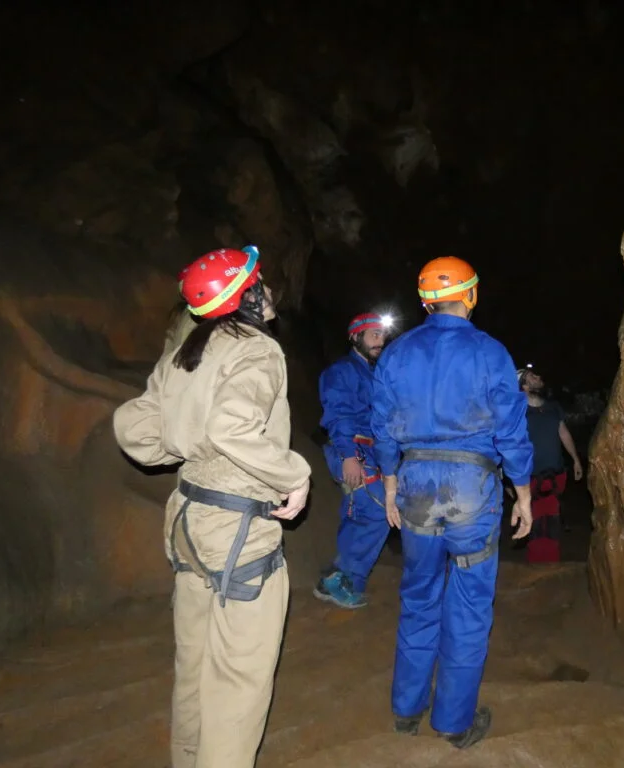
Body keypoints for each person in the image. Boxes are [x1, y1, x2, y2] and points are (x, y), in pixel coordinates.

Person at [113, 246, 311, 768]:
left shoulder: (187, 350)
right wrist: (295, 474)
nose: (268, 288)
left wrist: (178, 447)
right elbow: (232, 427)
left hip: (187, 518)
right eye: (260, 281)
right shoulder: (257, 351)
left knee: (194, 666)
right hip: (238, 525)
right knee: (237, 680)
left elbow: (134, 425)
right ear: (245, 294)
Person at [371, 255, 534, 749]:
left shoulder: (396, 354)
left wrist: (392, 488)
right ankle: (453, 720)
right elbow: (510, 429)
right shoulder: (490, 352)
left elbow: (381, 426)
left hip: (417, 486)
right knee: (467, 607)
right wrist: (523, 494)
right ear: (472, 295)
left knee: (419, 597)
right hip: (472, 491)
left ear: (425, 301)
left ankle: (406, 709)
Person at [313, 312, 393, 609]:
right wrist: (348, 456)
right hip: (351, 448)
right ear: (355, 337)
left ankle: (345, 581)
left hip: (370, 450)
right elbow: (339, 413)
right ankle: (338, 580)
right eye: (372, 334)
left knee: (362, 513)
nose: (379, 340)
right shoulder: (342, 371)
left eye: (382, 335)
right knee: (374, 512)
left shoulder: (373, 374)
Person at [516, 365, 583, 563]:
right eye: (532, 377)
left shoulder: (554, 407)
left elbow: (563, 433)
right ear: (524, 387)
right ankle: (537, 562)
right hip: (530, 476)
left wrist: (575, 459)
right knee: (535, 522)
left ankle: (551, 561)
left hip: (555, 474)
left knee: (551, 518)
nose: (538, 377)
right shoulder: (517, 412)